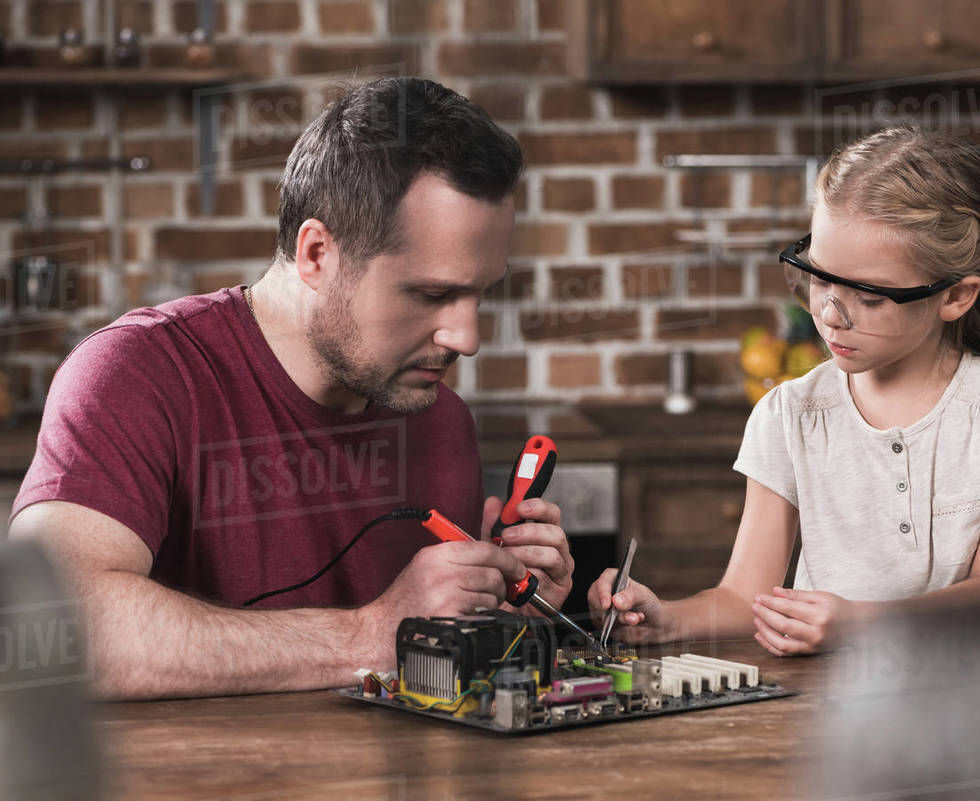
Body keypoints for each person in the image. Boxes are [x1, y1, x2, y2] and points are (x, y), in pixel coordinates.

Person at [7, 77, 574, 698]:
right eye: (433, 294)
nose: (466, 337)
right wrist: (368, 637)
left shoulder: (438, 417)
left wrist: (502, 621)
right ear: (315, 254)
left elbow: (420, 682)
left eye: (479, 295)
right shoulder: (137, 375)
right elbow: (46, 631)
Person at [589, 126, 980, 655]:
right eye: (819, 278)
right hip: (825, 711)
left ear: (956, 296)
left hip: (969, 701)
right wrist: (666, 619)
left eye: (868, 297)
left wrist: (866, 623)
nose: (828, 314)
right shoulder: (789, 413)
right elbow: (743, 595)